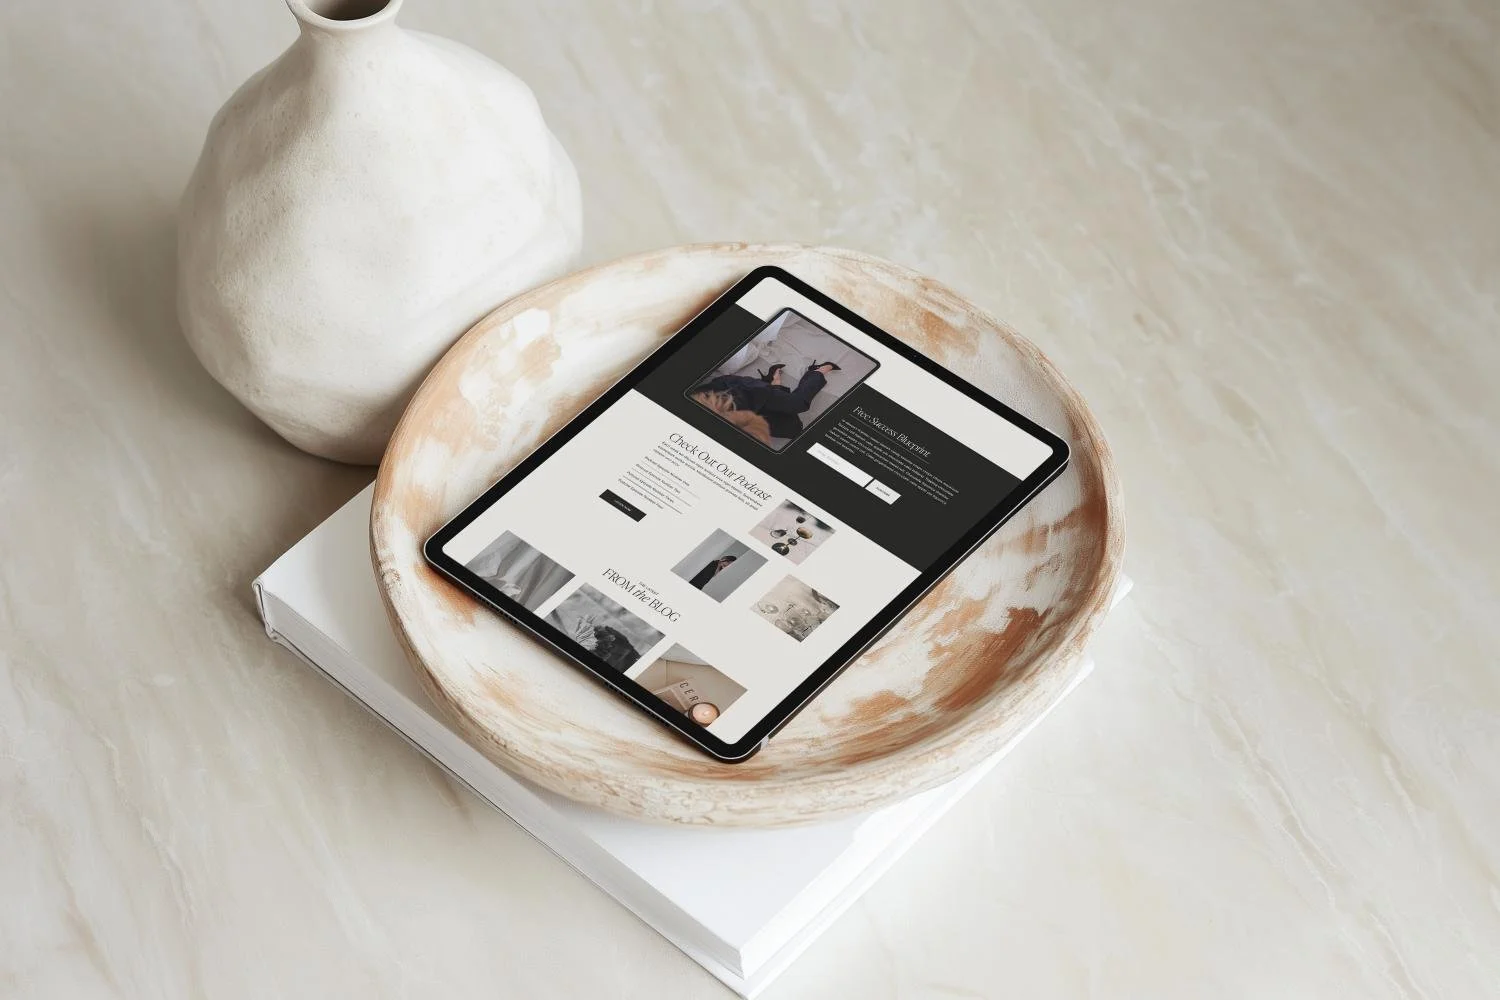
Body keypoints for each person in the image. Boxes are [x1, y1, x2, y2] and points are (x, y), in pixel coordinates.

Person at [691, 361, 842, 441]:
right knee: (795, 430)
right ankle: (773, 383)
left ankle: (816, 372)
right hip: (743, 415)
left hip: (742, 392)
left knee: (797, 404)